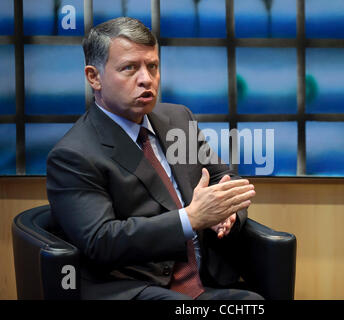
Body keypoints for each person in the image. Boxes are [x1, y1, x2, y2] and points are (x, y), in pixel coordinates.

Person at [46, 17, 262, 300]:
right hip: (137, 286)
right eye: (130, 68)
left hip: (208, 277)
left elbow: (222, 178)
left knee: (252, 303)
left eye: (153, 66)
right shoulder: (73, 155)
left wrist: (225, 213)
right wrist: (191, 218)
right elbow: (102, 241)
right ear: (94, 77)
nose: (146, 79)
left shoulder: (177, 120)